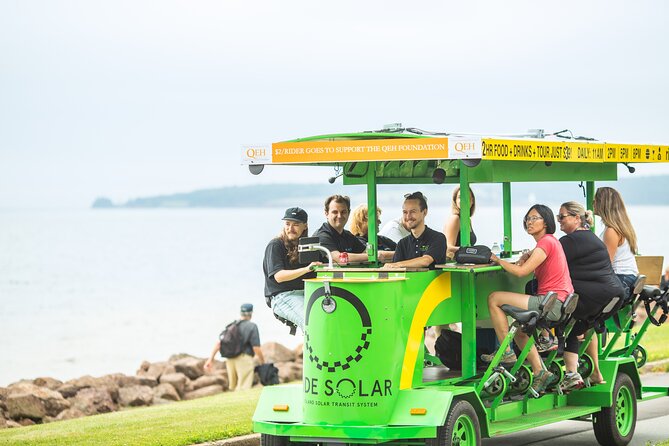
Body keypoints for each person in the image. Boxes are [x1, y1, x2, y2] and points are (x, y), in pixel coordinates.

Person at [482, 204, 574, 395]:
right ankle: (540, 371)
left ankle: (506, 353)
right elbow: (529, 263)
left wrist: (498, 260)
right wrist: (525, 256)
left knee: (494, 298)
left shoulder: (546, 242)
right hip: (558, 302)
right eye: (527, 219)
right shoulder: (548, 243)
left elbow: (521, 272)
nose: (529, 222)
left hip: (551, 303)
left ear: (546, 222)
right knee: (520, 330)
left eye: (535, 218)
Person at [558, 201, 624, 390]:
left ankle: (569, 369)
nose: (559, 221)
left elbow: (548, 263)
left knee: (562, 314)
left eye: (562, 217)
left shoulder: (569, 241)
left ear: (576, 218)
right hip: (613, 296)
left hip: (595, 295)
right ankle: (580, 373)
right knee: (574, 324)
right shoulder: (593, 238)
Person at [263, 207, 322, 331]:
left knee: (331, 315)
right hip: (282, 296)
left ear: (305, 226)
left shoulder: (307, 245)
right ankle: (315, 350)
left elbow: (320, 267)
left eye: (295, 225)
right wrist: (307, 269)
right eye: (287, 224)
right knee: (311, 321)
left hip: (306, 293)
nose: (290, 228)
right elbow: (279, 276)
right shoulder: (275, 245)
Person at [204, 303, 265, 391]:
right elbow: (256, 348)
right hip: (244, 358)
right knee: (244, 386)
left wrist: (210, 359)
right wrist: (262, 361)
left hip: (230, 359)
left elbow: (219, 344)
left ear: (241, 313)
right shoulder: (252, 326)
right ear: (251, 313)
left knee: (234, 387)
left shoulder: (231, 325)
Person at [593, 187, 639, 299]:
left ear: (603, 204)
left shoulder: (611, 231)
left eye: (595, 200)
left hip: (621, 281)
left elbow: (606, 264)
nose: (593, 203)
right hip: (629, 279)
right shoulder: (620, 227)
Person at [383, 192, 446, 269]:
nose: (408, 216)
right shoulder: (402, 244)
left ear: (425, 212)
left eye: (413, 212)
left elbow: (425, 261)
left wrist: (396, 265)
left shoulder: (438, 238)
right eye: (405, 212)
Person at [313, 195, 367, 264]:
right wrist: (375, 256)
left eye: (343, 212)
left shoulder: (348, 236)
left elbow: (365, 252)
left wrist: (382, 255)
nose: (339, 216)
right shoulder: (321, 236)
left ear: (349, 213)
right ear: (326, 213)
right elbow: (338, 259)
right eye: (335, 212)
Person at [443, 186, 477, 259]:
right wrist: (470, 251)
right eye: (460, 197)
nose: (464, 200)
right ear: (455, 201)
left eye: (468, 197)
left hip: (465, 262)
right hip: (453, 264)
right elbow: (447, 247)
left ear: (472, 201)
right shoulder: (455, 218)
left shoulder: (467, 220)